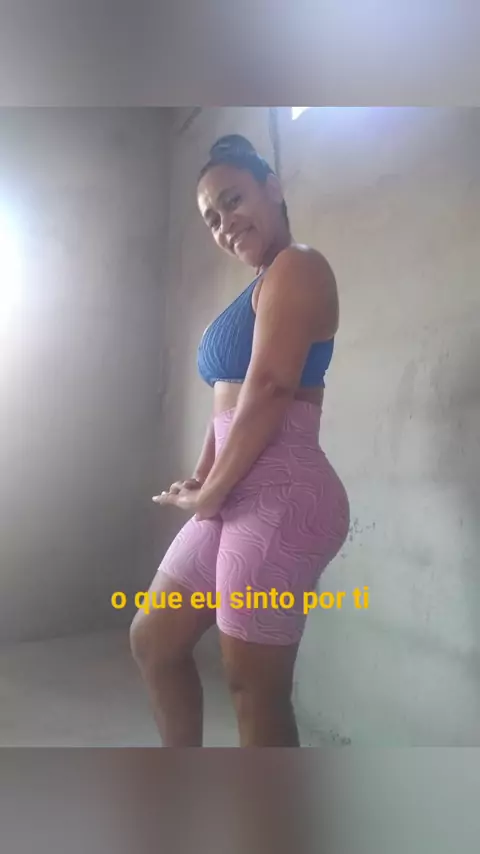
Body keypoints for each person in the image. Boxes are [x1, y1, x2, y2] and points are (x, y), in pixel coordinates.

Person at [130, 134, 350, 747]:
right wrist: (205, 475)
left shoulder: (298, 265)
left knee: (254, 688)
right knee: (154, 640)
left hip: (283, 491)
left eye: (233, 200)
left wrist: (211, 494)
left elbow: (272, 388)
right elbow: (229, 401)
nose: (224, 223)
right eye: (212, 218)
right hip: (238, 489)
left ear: (272, 189)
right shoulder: (258, 285)